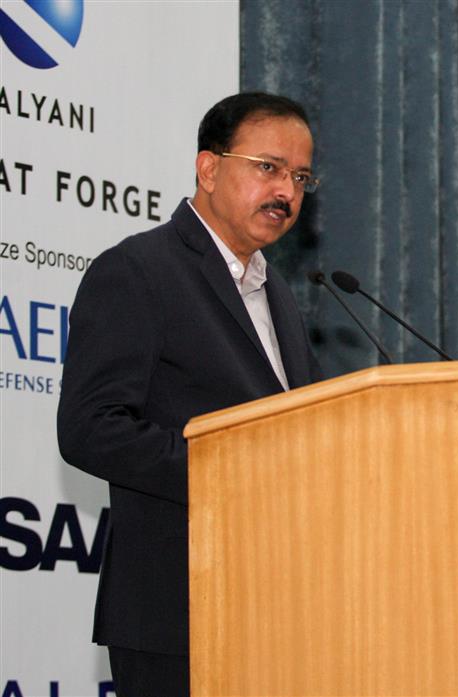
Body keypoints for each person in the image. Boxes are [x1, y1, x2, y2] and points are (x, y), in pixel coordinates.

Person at [57, 92, 323, 695]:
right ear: (208, 168)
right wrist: (235, 476)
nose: (287, 191)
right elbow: (91, 427)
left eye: (300, 177)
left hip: (280, 612)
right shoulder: (138, 270)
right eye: (268, 168)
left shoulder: (278, 293)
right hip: (177, 611)